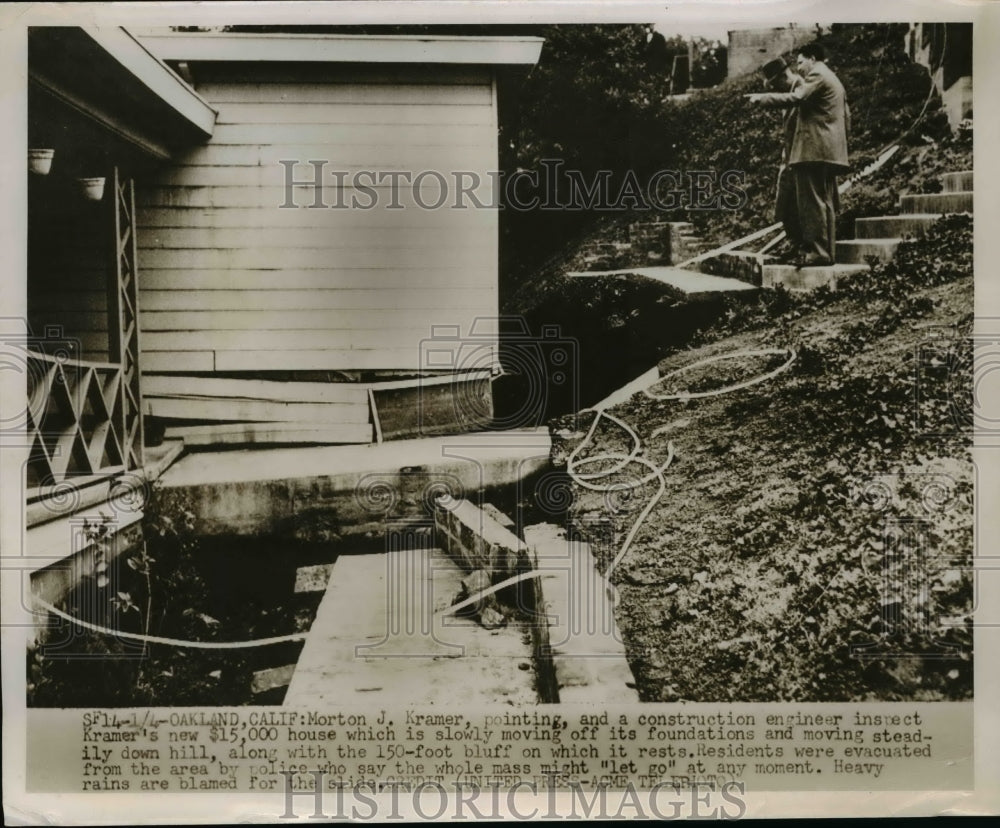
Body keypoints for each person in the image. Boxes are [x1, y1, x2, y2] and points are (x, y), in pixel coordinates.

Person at [750, 43, 850, 267]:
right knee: (822, 202)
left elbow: (796, 101)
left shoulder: (815, 77)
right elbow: (846, 116)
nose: (799, 66)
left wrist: (762, 99)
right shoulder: (829, 78)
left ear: (812, 58)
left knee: (812, 204)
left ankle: (819, 252)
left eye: (801, 61)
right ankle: (824, 252)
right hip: (822, 150)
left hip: (812, 152)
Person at [760, 57, 803, 253]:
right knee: (785, 203)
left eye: (776, 85)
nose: (776, 90)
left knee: (798, 204)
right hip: (790, 157)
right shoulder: (788, 93)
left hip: (801, 157)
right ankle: (793, 242)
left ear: (783, 76)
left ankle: (801, 245)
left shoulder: (801, 89)